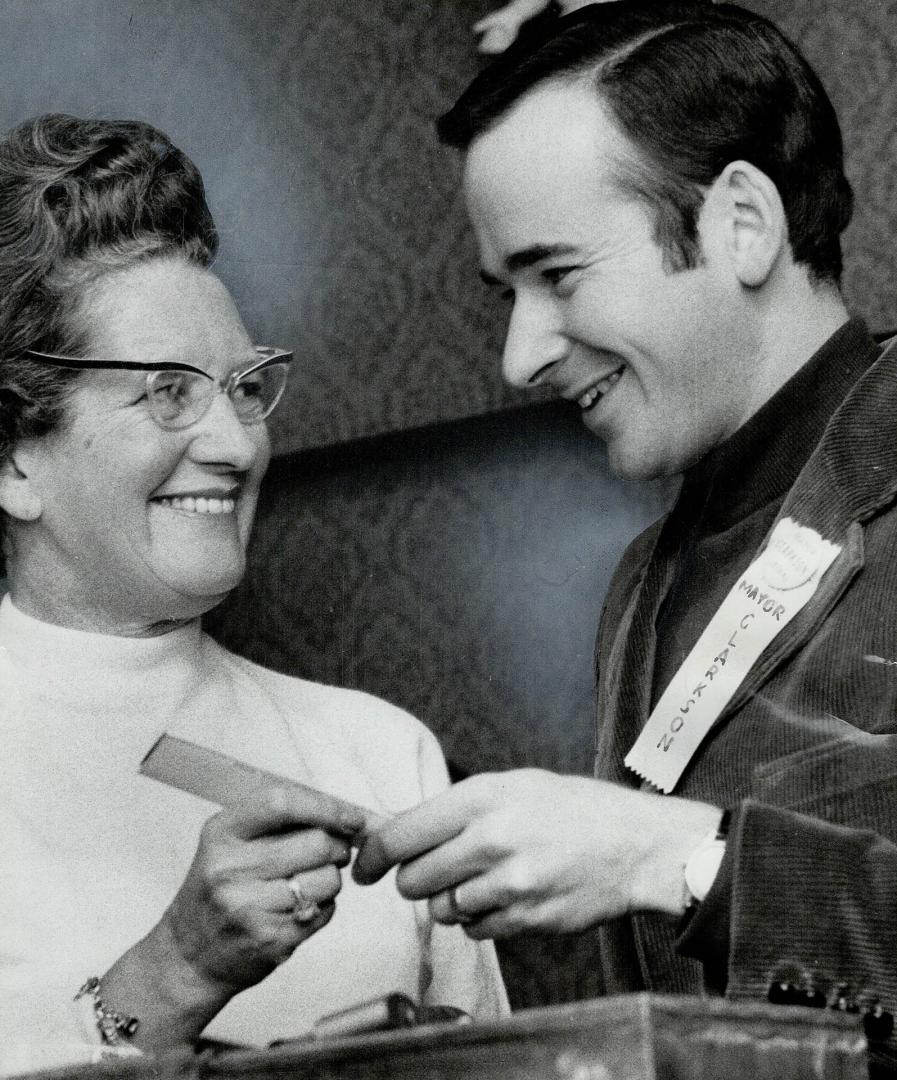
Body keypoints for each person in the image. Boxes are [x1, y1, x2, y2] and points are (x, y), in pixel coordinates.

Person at [353, 1, 897, 1071]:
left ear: (742, 221)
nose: (519, 356)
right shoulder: (640, 585)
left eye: (557, 276)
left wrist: (681, 859)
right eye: (505, 292)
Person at [0, 113, 506, 1074]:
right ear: (15, 459)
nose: (235, 446)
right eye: (166, 392)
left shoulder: (381, 754)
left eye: (243, 386)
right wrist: (172, 975)